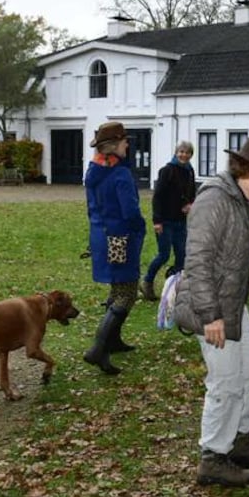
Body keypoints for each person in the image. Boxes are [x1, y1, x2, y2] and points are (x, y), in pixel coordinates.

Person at [168, 137, 249, 487]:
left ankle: (240, 440)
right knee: (225, 383)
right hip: (208, 307)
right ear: (245, 169)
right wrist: (211, 315)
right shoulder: (215, 200)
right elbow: (198, 260)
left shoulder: (246, 204)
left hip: (234, 304)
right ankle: (213, 458)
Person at [83, 121, 147, 375]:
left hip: (101, 234)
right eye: (124, 141)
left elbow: (91, 208)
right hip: (120, 237)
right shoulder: (119, 174)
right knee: (127, 293)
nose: (128, 145)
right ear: (114, 146)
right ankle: (99, 349)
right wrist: (139, 227)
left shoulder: (93, 171)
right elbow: (130, 211)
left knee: (117, 287)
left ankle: (114, 341)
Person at [140, 141, 197, 301]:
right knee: (164, 255)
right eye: (181, 152)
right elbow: (157, 197)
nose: (184, 155)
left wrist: (190, 204)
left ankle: (174, 284)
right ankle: (147, 282)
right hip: (165, 221)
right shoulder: (167, 171)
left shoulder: (189, 171)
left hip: (180, 221)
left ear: (191, 155)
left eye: (187, 152)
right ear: (176, 152)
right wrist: (157, 221)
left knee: (182, 256)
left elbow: (192, 193)